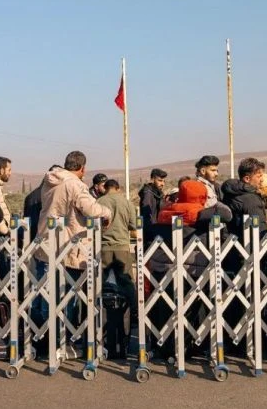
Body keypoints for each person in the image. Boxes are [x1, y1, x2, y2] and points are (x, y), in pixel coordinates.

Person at [37, 151, 112, 269]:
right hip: (68, 247)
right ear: (82, 168)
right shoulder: (75, 184)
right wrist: (107, 212)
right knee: (68, 281)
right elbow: (90, 209)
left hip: (46, 243)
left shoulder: (48, 183)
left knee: (46, 280)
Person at [96, 179, 137, 359]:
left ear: (105, 188)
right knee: (126, 283)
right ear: (118, 188)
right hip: (122, 247)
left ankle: (101, 318)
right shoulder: (126, 202)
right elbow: (133, 226)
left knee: (103, 285)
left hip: (103, 247)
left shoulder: (99, 201)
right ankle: (133, 312)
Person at [220, 157, 267, 236]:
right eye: (259, 176)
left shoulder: (230, 193)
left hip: (232, 240)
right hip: (249, 241)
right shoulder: (251, 199)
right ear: (247, 179)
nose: (262, 179)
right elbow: (260, 229)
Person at [138, 168, 168, 238]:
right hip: (151, 232)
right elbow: (147, 214)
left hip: (156, 229)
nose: (162, 184)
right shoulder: (148, 193)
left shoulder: (158, 194)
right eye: (160, 181)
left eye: (164, 181)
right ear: (152, 179)